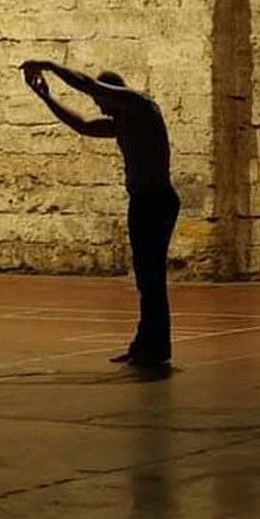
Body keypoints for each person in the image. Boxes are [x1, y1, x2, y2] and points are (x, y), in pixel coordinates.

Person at [20, 59, 180, 366]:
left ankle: (156, 347)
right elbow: (81, 125)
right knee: (146, 279)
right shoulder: (123, 122)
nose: (99, 106)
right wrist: (45, 96)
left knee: (152, 277)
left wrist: (48, 65)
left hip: (156, 201)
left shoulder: (141, 106)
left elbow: (88, 85)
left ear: (111, 93)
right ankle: (147, 343)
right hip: (143, 202)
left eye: (100, 101)